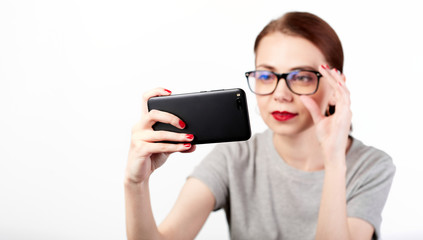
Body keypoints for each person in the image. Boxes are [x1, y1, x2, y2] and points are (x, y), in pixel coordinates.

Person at [124, 12, 395, 240]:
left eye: (300, 77)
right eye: (265, 75)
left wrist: (335, 160)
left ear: (336, 87)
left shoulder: (370, 167)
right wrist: (135, 183)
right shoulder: (236, 157)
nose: (280, 94)